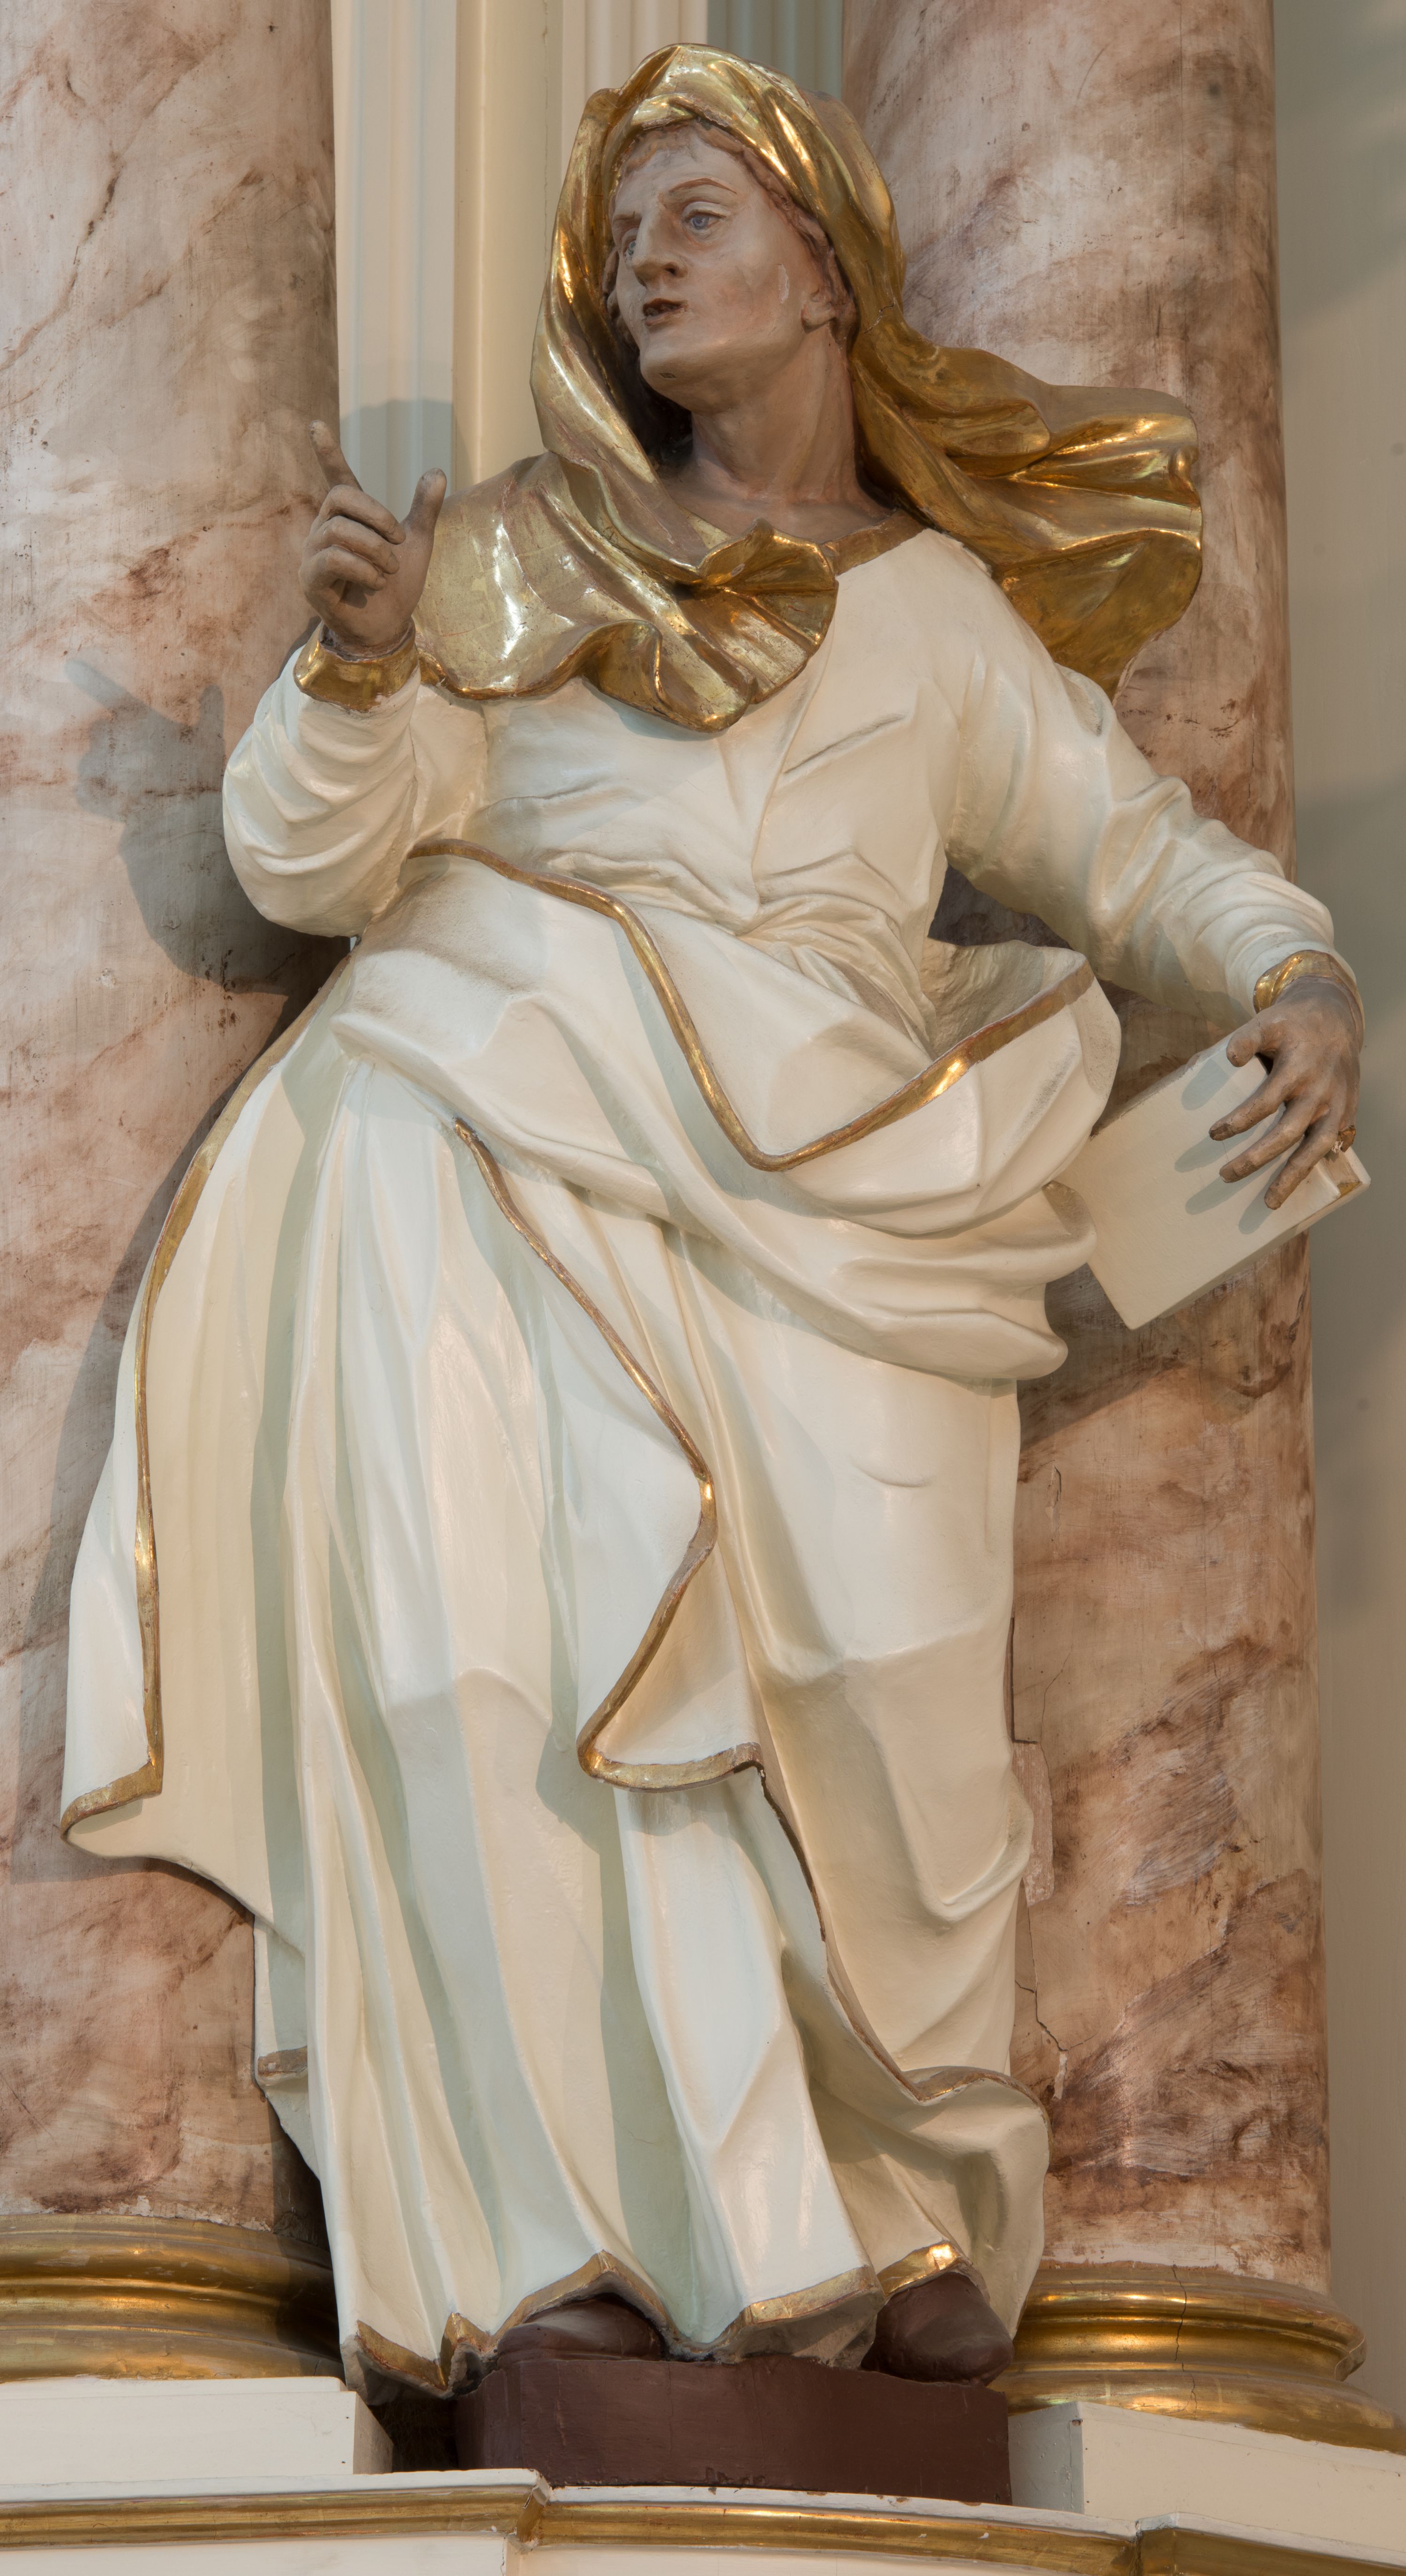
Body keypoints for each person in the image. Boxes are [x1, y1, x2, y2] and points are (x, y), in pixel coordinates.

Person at [62, 47, 1361, 2400]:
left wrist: (1297, 972)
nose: (646, 263)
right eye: (624, 234)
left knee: (896, 1716)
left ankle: (916, 2183)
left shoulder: (943, 618)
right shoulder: (523, 557)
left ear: (829, 266)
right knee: (505, 1688)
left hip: (859, 1208)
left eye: (697, 214)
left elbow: (1135, 850)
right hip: (496, 1148)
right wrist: (361, 662)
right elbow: (314, 860)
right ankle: (549, 2231)